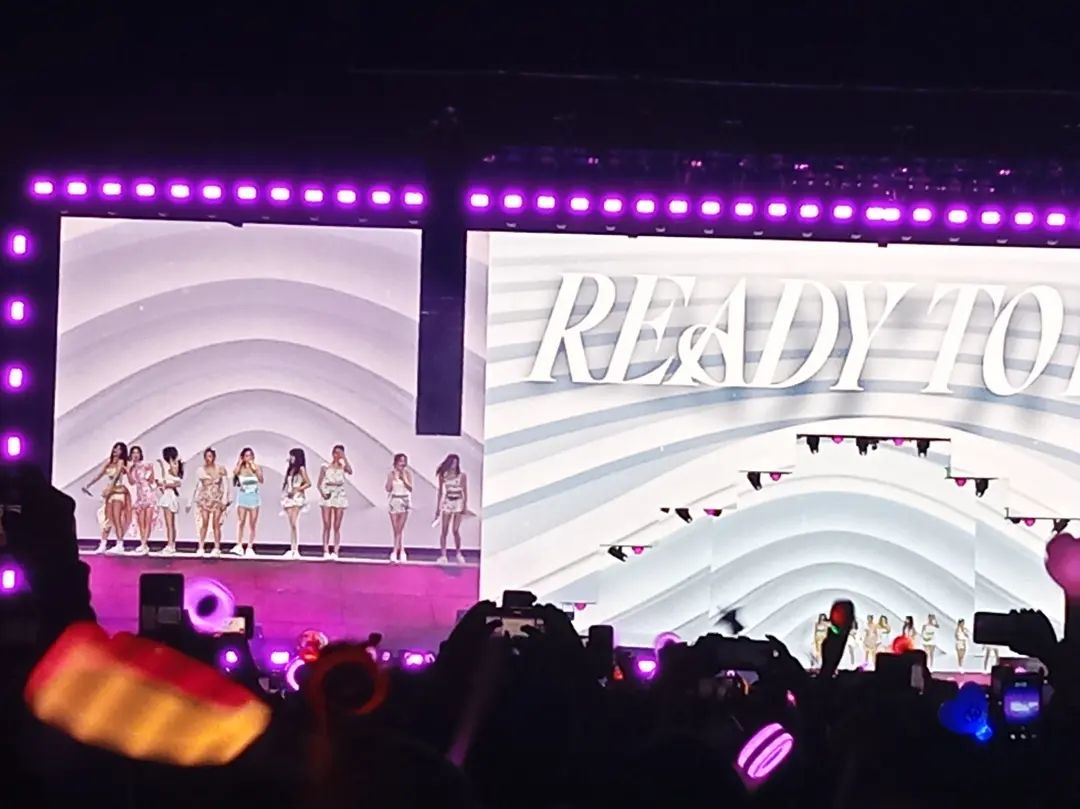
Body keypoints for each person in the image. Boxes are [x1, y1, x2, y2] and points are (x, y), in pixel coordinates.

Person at [80, 441, 130, 554]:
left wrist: (109, 489)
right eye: (115, 448)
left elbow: (116, 477)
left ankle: (120, 544)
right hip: (110, 493)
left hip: (118, 492)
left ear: (122, 452)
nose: (116, 450)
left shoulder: (121, 462)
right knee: (106, 520)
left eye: (119, 449)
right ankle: (103, 544)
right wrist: (88, 485)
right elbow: (99, 475)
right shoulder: (109, 462)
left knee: (116, 519)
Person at [187, 447, 229, 557]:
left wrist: (225, 499)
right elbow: (195, 486)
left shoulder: (220, 469)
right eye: (206, 456)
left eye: (210, 456)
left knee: (216, 524)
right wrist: (189, 501)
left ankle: (217, 547)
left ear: (214, 457)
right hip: (205, 499)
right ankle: (201, 546)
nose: (208, 459)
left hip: (217, 499)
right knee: (204, 522)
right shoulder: (200, 470)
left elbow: (226, 485)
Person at [317, 444, 352, 560]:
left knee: (337, 525)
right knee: (327, 524)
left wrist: (344, 458)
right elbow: (319, 483)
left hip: (339, 494)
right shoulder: (325, 466)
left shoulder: (343, 466)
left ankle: (336, 551)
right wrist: (323, 493)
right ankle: (325, 550)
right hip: (328, 493)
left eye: (340, 453)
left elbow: (350, 471)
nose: (337, 455)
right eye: (336, 453)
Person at [434, 453, 468, 564]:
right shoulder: (443, 475)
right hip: (448, 501)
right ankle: (443, 555)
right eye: (452, 463)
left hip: (458, 502)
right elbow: (440, 492)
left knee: (455, 530)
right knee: (444, 530)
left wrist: (464, 505)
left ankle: (458, 553)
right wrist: (438, 508)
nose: (454, 465)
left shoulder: (462, 475)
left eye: (456, 463)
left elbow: (465, 491)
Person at [231, 447, 263, 558]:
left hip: (253, 497)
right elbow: (235, 473)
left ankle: (250, 547)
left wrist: (255, 468)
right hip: (243, 496)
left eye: (250, 455)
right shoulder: (240, 468)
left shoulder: (256, 467)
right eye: (246, 456)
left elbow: (261, 480)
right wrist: (240, 463)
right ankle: (239, 545)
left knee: (252, 523)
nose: (248, 458)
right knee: (241, 521)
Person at [126, 445, 158, 554]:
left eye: (137, 453)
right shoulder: (132, 468)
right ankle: (143, 543)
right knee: (140, 522)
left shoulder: (146, 465)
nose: (135, 455)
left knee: (148, 521)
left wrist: (151, 471)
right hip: (139, 496)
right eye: (133, 453)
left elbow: (151, 480)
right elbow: (132, 482)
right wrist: (128, 471)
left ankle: (144, 544)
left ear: (140, 454)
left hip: (148, 494)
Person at [281, 448, 311, 560]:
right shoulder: (290, 469)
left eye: (292, 456)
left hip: (297, 497)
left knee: (294, 522)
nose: (291, 458)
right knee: (291, 524)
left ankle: (296, 549)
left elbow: (308, 483)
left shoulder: (301, 469)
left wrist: (297, 489)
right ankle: (292, 548)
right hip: (289, 497)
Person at [156, 446, 184, 555]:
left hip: (170, 496)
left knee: (170, 523)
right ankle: (171, 544)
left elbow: (177, 482)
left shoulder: (174, 464)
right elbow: (165, 478)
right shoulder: (170, 465)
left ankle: (171, 545)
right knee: (169, 523)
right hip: (167, 495)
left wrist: (166, 485)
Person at [386, 452, 412, 563]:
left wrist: (403, 478)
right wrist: (391, 480)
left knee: (400, 528)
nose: (402, 464)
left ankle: (395, 551)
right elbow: (388, 488)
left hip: (404, 500)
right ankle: (401, 550)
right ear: (396, 463)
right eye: (400, 461)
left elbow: (410, 488)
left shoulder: (407, 473)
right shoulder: (391, 474)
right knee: (396, 528)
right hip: (394, 500)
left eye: (404, 461)